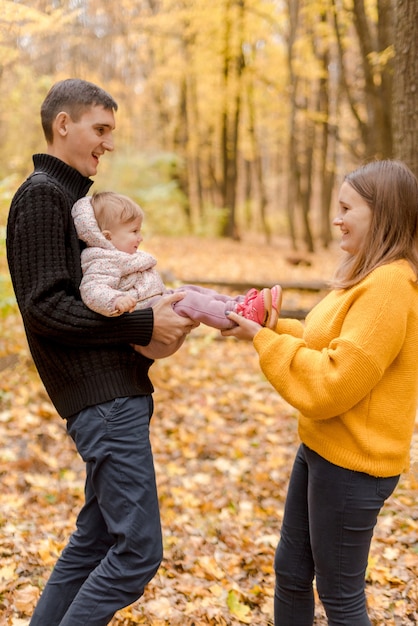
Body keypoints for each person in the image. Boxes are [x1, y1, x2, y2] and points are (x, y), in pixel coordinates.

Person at [6, 78, 200, 626]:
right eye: (100, 129)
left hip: (117, 397)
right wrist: (142, 322)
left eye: (111, 132)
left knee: (92, 544)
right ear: (62, 125)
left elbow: (99, 292)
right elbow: (45, 309)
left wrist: (157, 317)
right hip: (103, 402)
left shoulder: (77, 202)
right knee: (138, 553)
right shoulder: (42, 195)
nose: (107, 144)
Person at [222, 160, 418, 625]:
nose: (337, 219)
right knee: (291, 572)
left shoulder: (390, 285)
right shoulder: (367, 275)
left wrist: (264, 342)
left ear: (382, 214)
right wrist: (271, 326)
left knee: (339, 595)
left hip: (353, 465)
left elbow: (334, 382)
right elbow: (324, 341)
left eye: (347, 208)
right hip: (322, 449)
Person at [71, 191, 282, 348]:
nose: (140, 237)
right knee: (189, 300)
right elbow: (92, 290)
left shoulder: (118, 255)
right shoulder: (101, 260)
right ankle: (238, 317)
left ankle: (241, 305)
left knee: (191, 290)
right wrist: (115, 300)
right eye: (134, 231)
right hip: (146, 331)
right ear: (108, 237)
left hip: (154, 304)